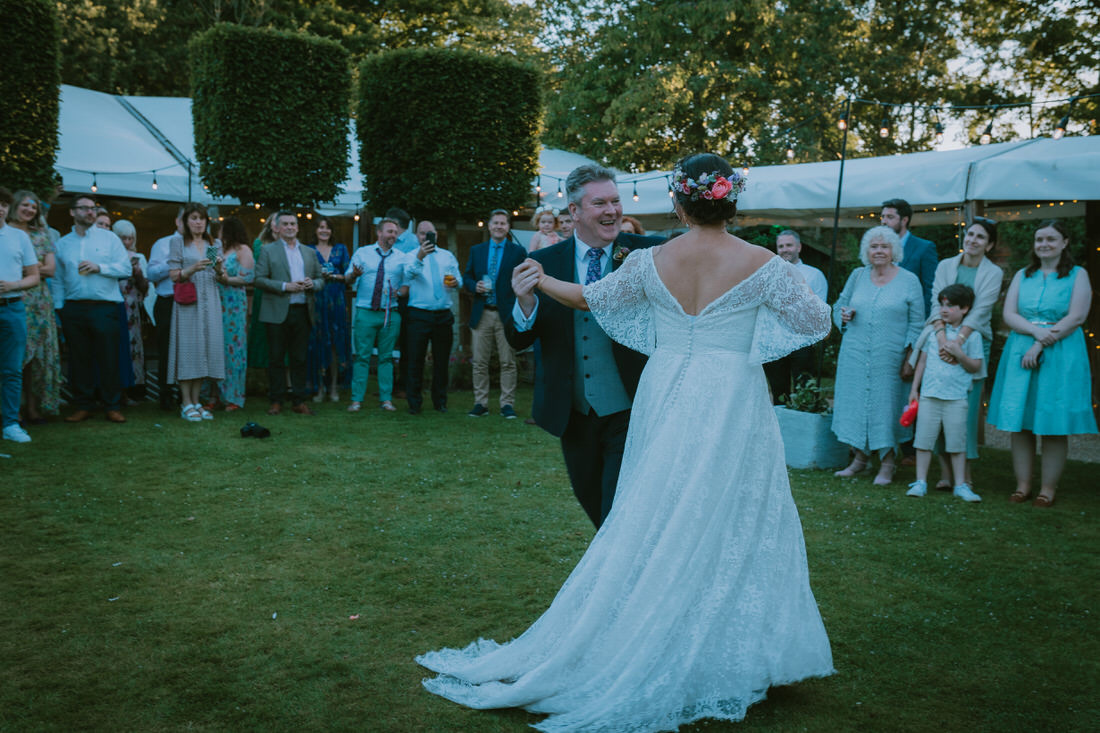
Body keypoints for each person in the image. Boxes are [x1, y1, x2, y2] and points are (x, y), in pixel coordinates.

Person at [419, 153, 834, 730]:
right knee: (731, 509)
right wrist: (750, 338)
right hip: (730, 393)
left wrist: (541, 280)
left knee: (656, 506)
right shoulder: (761, 262)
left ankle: (652, 621)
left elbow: (592, 298)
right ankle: (710, 638)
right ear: (730, 201)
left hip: (665, 388)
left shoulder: (653, 258)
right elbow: (815, 321)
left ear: (681, 203)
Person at [504, 163, 664, 526]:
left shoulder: (647, 254)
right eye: (600, 203)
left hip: (631, 407)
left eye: (615, 201)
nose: (612, 211)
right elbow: (517, 338)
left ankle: (617, 578)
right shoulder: (540, 263)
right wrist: (526, 304)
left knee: (617, 509)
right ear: (574, 211)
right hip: (572, 411)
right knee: (591, 500)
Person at [987, 220, 1096, 507]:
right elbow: (1009, 314)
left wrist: (1041, 342)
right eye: (1039, 240)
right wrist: (1034, 333)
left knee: (1052, 420)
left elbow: (1077, 316)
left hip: (1061, 352)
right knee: (1020, 421)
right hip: (1021, 350)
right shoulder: (1024, 275)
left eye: (1050, 239)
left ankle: (1047, 489)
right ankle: (1022, 486)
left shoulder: (1077, 275)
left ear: (1064, 242)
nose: (1044, 244)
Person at [831, 225, 924, 485]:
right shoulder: (857, 276)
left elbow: (918, 323)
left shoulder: (909, 280)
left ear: (894, 250)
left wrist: (910, 355)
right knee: (856, 403)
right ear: (866, 251)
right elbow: (839, 305)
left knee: (887, 406)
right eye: (874, 246)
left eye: (884, 246)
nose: (879, 251)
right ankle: (859, 459)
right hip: (855, 354)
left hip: (890, 356)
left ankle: (887, 461)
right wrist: (843, 314)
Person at [917, 217, 1004, 489]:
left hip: (973, 343)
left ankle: (964, 475)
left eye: (980, 237)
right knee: (937, 403)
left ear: (989, 245)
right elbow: (935, 302)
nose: (972, 240)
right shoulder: (946, 266)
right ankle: (945, 474)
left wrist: (958, 344)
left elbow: (981, 311)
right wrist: (943, 338)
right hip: (940, 337)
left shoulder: (993, 273)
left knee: (964, 411)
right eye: (970, 234)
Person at [55, 196, 131, 423]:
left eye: (93, 209)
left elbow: (125, 267)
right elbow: (58, 279)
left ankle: (112, 406)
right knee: (79, 359)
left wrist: (100, 267)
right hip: (74, 308)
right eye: (85, 208)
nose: (90, 212)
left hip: (104, 307)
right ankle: (83, 405)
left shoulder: (110, 239)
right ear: (72, 213)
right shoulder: (63, 244)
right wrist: (59, 309)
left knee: (108, 357)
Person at [905, 284, 985, 502]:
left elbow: (976, 366)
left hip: (957, 397)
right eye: (942, 304)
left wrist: (959, 354)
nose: (944, 310)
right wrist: (915, 389)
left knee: (957, 442)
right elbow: (922, 361)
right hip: (930, 395)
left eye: (950, 306)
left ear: (965, 309)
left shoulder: (972, 336)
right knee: (923, 441)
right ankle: (920, 481)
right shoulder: (932, 332)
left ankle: (960, 484)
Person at [255, 211, 324, 416]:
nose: (290, 227)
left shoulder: (309, 252)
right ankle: (276, 401)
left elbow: (321, 279)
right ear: (277, 227)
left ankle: (298, 400)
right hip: (277, 311)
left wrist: (313, 283)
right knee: (276, 358)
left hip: (302, 311)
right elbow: (258, 279)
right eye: (285, 224)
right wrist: (285, 286)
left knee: (300, 358)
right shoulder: (268, 250)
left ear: (298, 227)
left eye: (293, 223)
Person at [464, 209, 526, 418]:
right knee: (480, 362)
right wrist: (475, 286)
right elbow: (467, 277)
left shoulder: (517, 252)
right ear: (489, 226)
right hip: (483, 313)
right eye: (496, 223)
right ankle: (480, 403)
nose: (499, 226)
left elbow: (524, 280)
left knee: (508, 362)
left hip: (506, 314)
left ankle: (506, 404)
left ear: (508, 227)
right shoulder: (477, 250)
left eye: (503, 223)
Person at [167, 203, 225, 422]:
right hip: (189, 301)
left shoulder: (214, 242)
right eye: (194, 218)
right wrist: (192, 268)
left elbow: (221, 275)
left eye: (201, 218)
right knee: (188, 349)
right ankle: (186, 402)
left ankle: (197, 401)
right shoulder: (178, 242)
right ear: (186, 221)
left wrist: (218, 267)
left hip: (210, 297)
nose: (198, 222)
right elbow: (173, 275)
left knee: (204, 349)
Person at [345, 218, 410, 413]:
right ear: (379, 233)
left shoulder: (402, 257)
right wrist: (354, 275)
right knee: (362, 357)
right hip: (365, 312)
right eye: (390, 231)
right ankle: (356, 400)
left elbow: (406, 286)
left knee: (386, 358)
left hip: (390, 313)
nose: (393, 235)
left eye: (396, 232)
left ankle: (386, 399)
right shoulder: (362, 253)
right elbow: (348, 278)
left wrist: (398, 293)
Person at [7, 190, 60, 423]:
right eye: (25, 205)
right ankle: (12, 408)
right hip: (13, 297)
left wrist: (30, 267)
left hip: (39, 302)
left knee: (37, 358)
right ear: (15, 205)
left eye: (34, 207)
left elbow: (51, 269)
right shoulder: (4, 232)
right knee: (13, 356)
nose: (30, 210)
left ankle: (33, 407)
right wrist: (35, 267)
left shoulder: (41, 234)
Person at [765, 228, 828, 404]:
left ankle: (803, 427)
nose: (785, 249)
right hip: (776, 341)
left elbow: (819, 308)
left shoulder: (814, 274)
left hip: (802, 341)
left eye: (789, 245)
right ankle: (781, 428)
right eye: (781, 246)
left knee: (805, 390)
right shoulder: (770, 273)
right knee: (779, 393)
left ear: (799, 247)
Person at [403, 220, 460, 414]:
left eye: (430, 233)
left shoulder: (447, 256)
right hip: (419, 315)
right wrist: (420, 256)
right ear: (417, 236)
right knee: (415, 360)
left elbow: (457, 278)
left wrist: (455, 283)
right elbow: (408, 275)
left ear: (436, 234)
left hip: (443, 314)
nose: (425, 236)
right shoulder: (410, 256)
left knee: (441, 361)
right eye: (421, 233)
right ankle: (414, 402)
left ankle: (440, 401)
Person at [0, 187, 41, 443]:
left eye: (4, 204)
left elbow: (34, 276)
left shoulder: (19, 237)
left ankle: (10, 424)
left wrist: (12, 285)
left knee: (12, 369)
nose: (0, 208)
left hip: (12, 307)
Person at [306, 216, 350, 403]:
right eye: (320, 227)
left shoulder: (341, 249)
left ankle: (334, 388)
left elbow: (349, 276)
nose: (324, 230)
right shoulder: (308, 250)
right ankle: (319, 388)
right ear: (315, 230)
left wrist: (334, 276)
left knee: (335, 345)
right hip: (316, 300)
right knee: (317, 345)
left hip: (336, 301)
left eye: (327, 227)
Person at [214, 216, 254, 411]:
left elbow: (247, 278)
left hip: (234, 304)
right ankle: (213, 395)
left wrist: (226, 280)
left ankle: (233, 396)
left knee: (233, 347)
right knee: (216, 347)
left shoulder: (242, 250)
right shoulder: (218, 249)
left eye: (222, 229)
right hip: (216, 302)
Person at [147, 208, 184, 410]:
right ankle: (166, 393)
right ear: (177, 221)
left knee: (189, 350)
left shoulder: (199, 245)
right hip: (168, 301)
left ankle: (186, 395)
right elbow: (151, 274)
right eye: (187, 219)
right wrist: (169, 265)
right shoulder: (162, 244)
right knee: (167, 350)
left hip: (192, 302)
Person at [881, 198, 937, 317]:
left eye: (890, 217)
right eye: (883, 216)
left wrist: (924, 321)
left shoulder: (925, 248)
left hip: (912, 318)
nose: (884, 221)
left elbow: (930, 290)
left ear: (904, 220)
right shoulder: (878, 249)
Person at [112, 220, 148, 401]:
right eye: (123, 238)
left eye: (130, 238)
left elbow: (145, 288)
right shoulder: (110, 256)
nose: (126, 242)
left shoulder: (139, 257)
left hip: (132, 308)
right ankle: (116, 389)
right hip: (114, 305)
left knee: (133, 348)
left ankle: (133, 389)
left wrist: (138, 272)